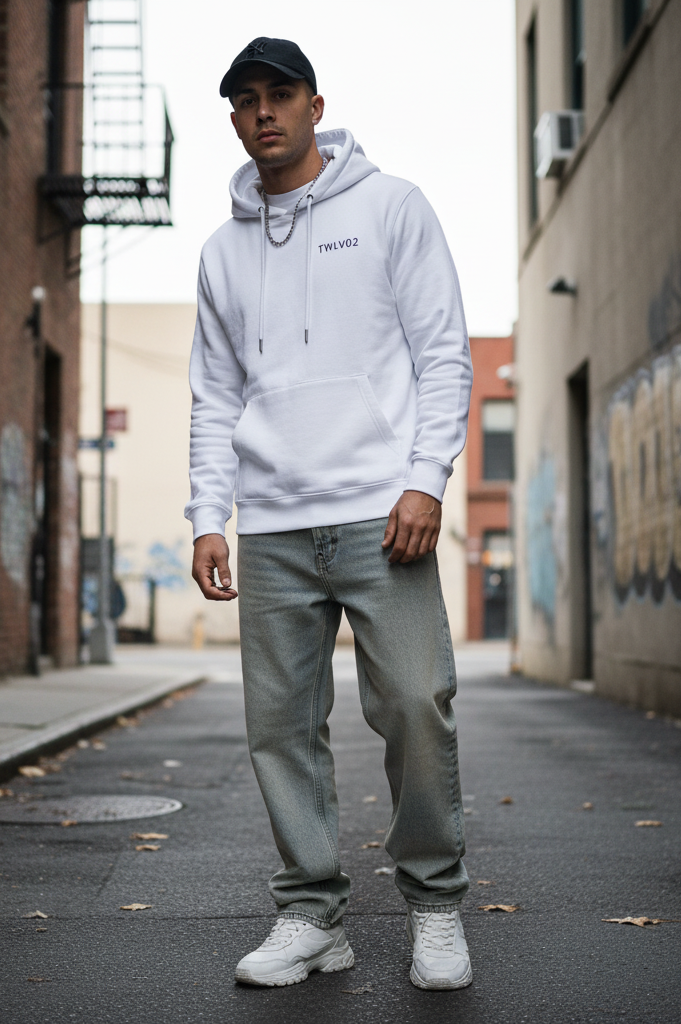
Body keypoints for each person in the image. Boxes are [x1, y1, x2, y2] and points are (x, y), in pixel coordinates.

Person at [185, 36, 473, 991]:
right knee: (279, 727)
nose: (262, 112)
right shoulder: (221, 253)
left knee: (417, 708)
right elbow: (212, 394)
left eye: (280, 94)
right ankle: (312, 917)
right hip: (269, 522)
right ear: (234, 119)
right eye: (245, 101)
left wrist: (426, 477)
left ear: (315, 105)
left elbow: (443, 355)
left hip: (379, 514)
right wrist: (205, 515)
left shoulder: (392, 208)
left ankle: (434, 906)